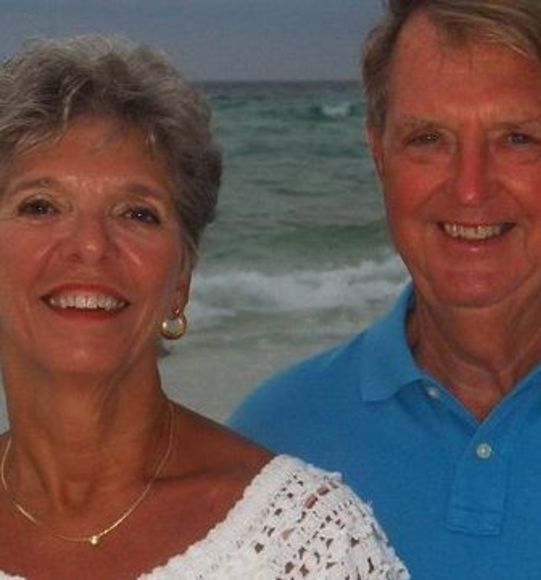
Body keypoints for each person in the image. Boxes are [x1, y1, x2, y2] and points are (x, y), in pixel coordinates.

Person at [0, 36, 409, 579]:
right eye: (41, 206)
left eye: (137, 213)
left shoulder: (305, 544)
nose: (91, 245)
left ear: (181, 282)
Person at [229, 0, 541, 578]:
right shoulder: (272, 445)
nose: (470, 188)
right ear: (379, 156)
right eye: (428, 138)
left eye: (517, 138)